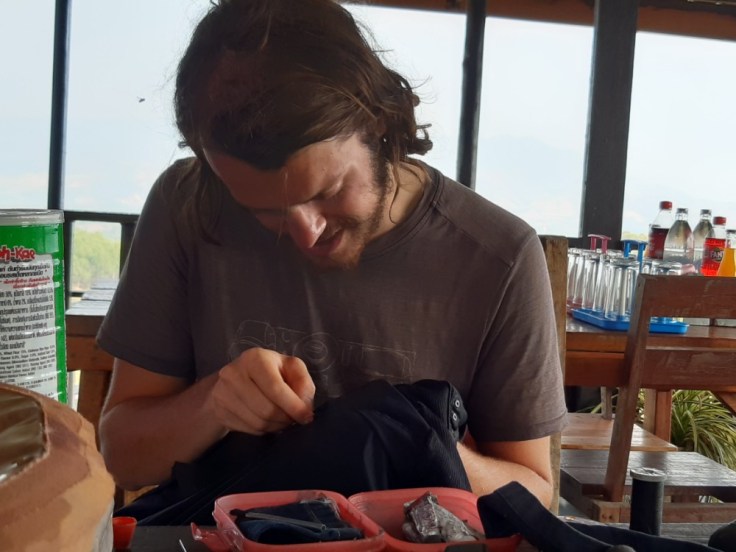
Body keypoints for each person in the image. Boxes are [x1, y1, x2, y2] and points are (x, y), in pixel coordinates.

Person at [97, 0, 567, 509]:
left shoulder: (499, 256)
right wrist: (213, 404)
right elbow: (123, 456)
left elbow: (534, 495)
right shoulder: (189, 207)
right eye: (264, 211)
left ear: (379, 123)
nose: (307, 233)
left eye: (329, 191)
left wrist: (420, 445)